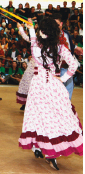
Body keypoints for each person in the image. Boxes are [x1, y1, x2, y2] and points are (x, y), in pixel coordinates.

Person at [18, 18, 82, 171]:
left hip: (38, 86)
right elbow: (75, 64)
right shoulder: (60, 48)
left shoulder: (36, 46)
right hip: (54, 85)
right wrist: (64, 78)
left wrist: (30, 28)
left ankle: (41, 149)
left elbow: (32, 38)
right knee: (57, 116)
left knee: (39, 117)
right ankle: (48, 152)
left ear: (42, 32)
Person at [16, 23, 35, 110]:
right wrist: (20, 28)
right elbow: (26, 37)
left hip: (41, 66)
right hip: (32, 64)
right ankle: (25, 102)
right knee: (26, 82)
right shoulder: (36, 39)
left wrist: (20, 28)